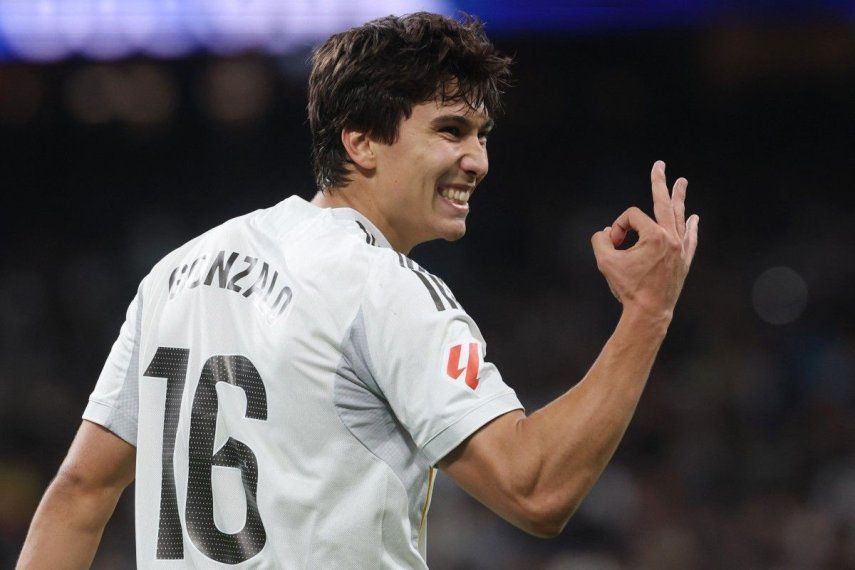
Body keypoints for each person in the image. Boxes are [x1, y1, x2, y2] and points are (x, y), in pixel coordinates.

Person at [17, 11, 699, 569]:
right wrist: (646, 313)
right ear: (362, 142)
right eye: (450, 131)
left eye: (482, 135)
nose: (478, 160)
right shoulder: (382, 286)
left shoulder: (178, 270)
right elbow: (536, 487)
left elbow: (80, 491)